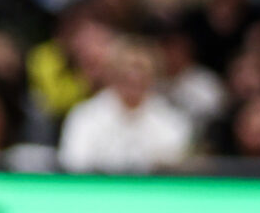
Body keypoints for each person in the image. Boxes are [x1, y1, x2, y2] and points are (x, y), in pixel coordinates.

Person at [56, 36, 193, 173]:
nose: (135, 78)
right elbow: (73, 164)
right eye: (126, 73)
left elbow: (175, 166)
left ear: (154, 76)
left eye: (142, 72)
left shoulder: (171, 120)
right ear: (111, 74)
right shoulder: (84, 117)